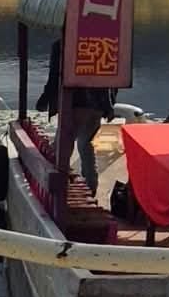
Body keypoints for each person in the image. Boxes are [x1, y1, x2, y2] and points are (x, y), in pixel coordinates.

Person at [35, 38, 116, 196]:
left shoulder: (62, 45)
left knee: (63, 145)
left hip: (75, 104)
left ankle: (60, 187)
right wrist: (109, 106)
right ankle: (91, 186)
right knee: (85, 145)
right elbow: (110, 77)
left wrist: (44, 101)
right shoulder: (103, 43)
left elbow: (54, 77)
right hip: (98, 106)